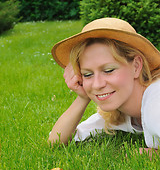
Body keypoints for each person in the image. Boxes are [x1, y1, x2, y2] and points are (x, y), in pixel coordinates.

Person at [48, 17, 160, 157]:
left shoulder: (155, 100)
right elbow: (56, 141)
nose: (97, 84)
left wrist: (154, 155)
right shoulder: (119, 111)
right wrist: (83, 97)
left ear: (136, 66)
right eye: (88, 74)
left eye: (108, 70)